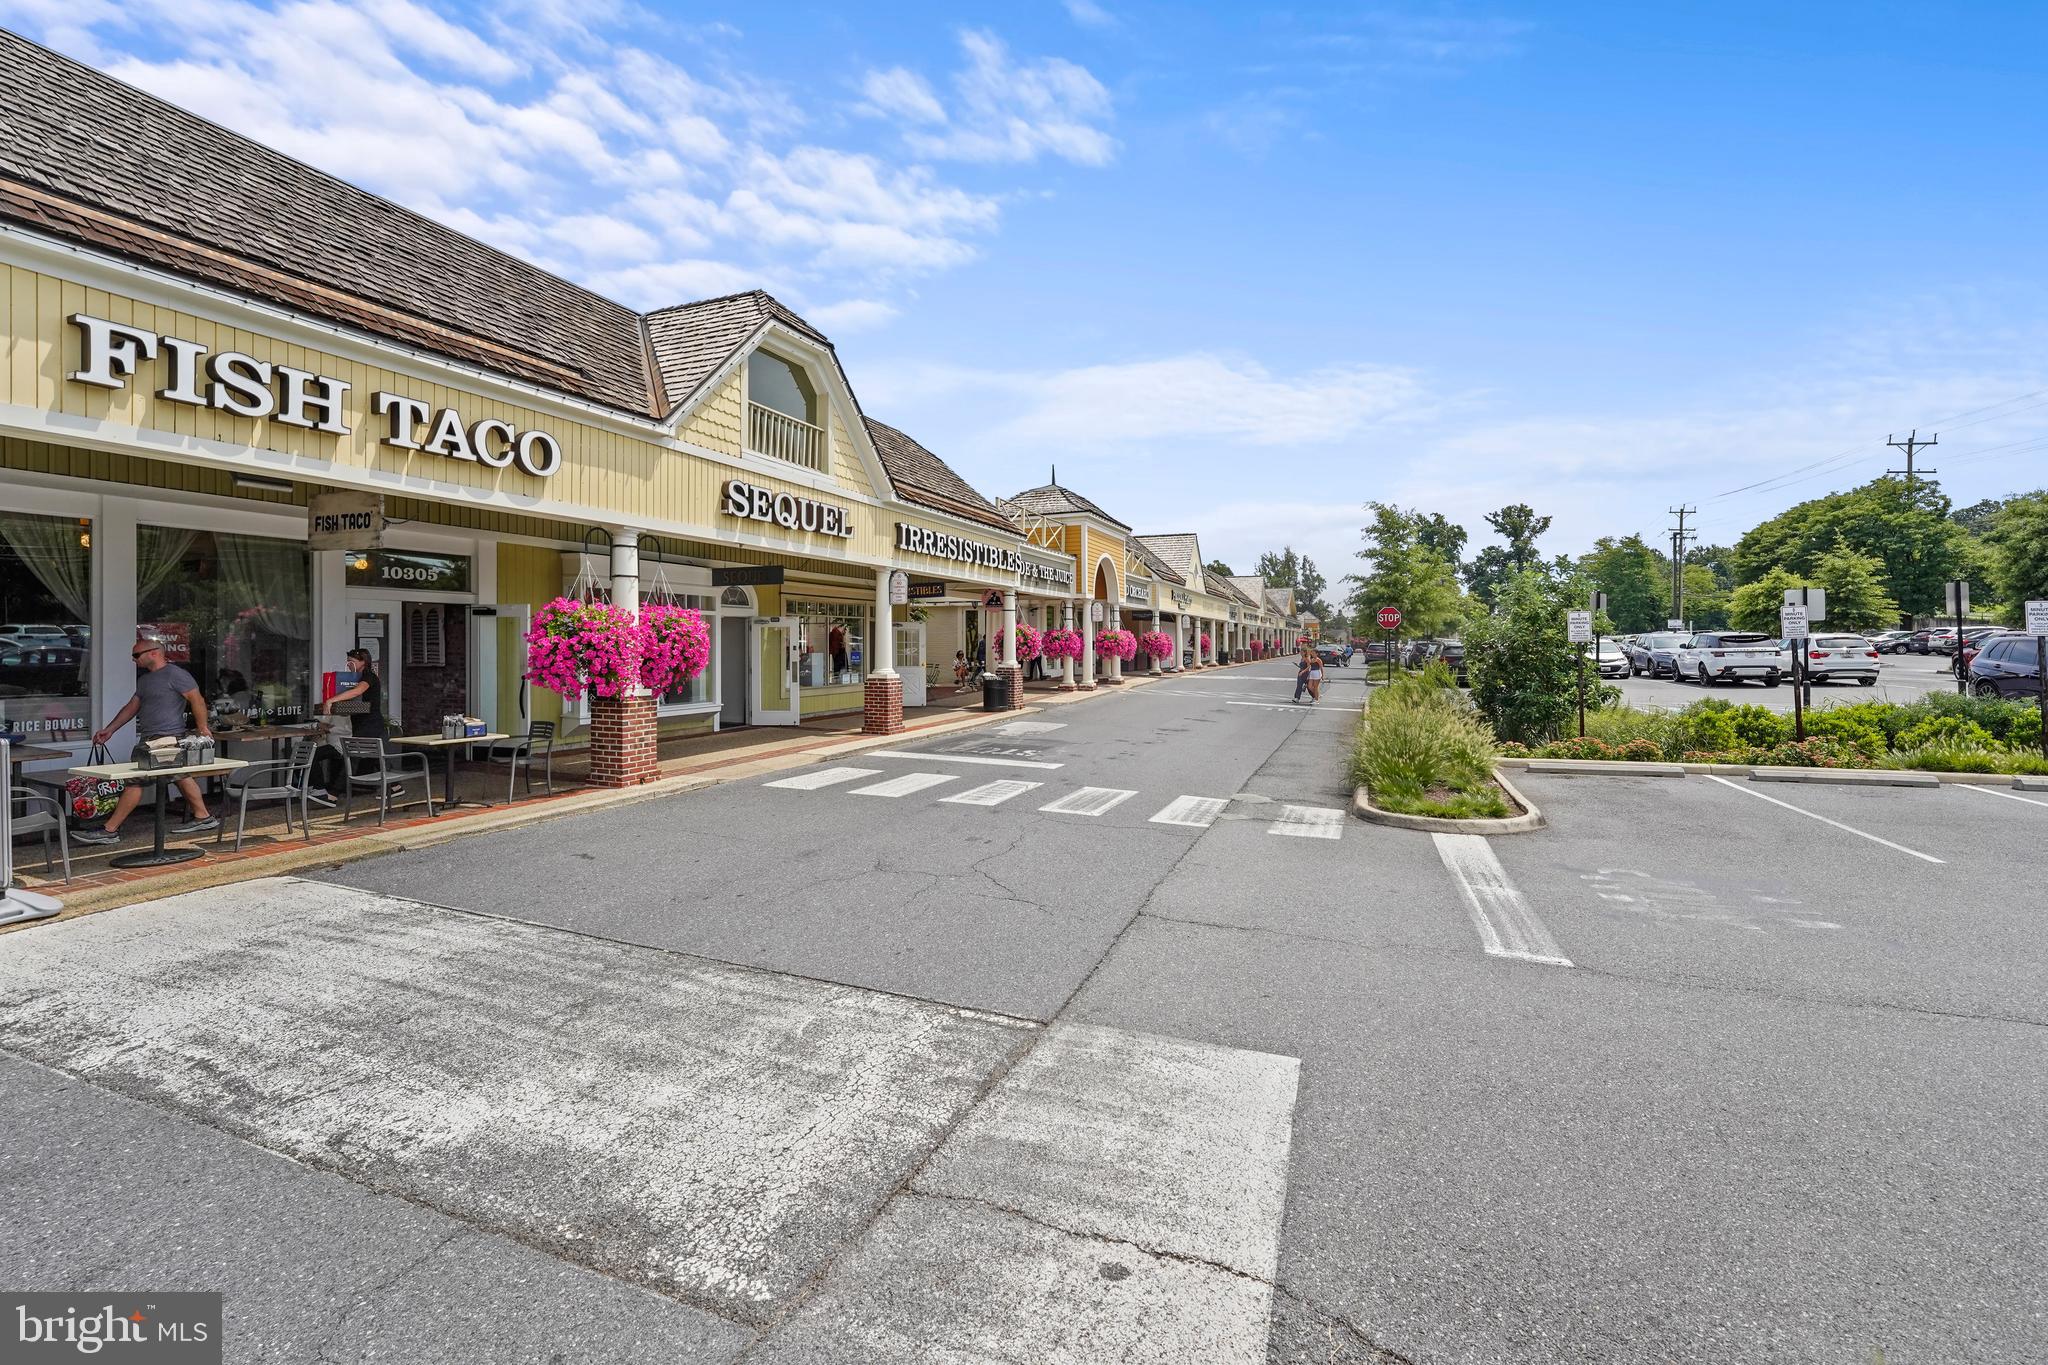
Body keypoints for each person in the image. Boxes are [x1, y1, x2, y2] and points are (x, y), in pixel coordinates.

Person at [72, 638, 218, 844]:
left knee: (135, 781)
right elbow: (132, 707)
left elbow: (197, 699)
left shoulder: (176, 674)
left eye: (136, 655)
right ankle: (203, 816)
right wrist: (110, 730)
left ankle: (109, 830)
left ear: (154, 653)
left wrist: (203, 727)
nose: (133, 660)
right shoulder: (145, 680)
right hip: (150, 738)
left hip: (167, 738)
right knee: (180, 775)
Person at [310, 646, 393, 803]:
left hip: (370, 725)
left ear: (363, 662)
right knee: (376, 758)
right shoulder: (359, 677)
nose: (348, 664)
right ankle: (395, 787)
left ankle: (333, 795)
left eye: (352, 661)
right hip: (367, 724)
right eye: (348, 661)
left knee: (353, 757)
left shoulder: (369, 677)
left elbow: (356, 692)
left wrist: (332, 699)